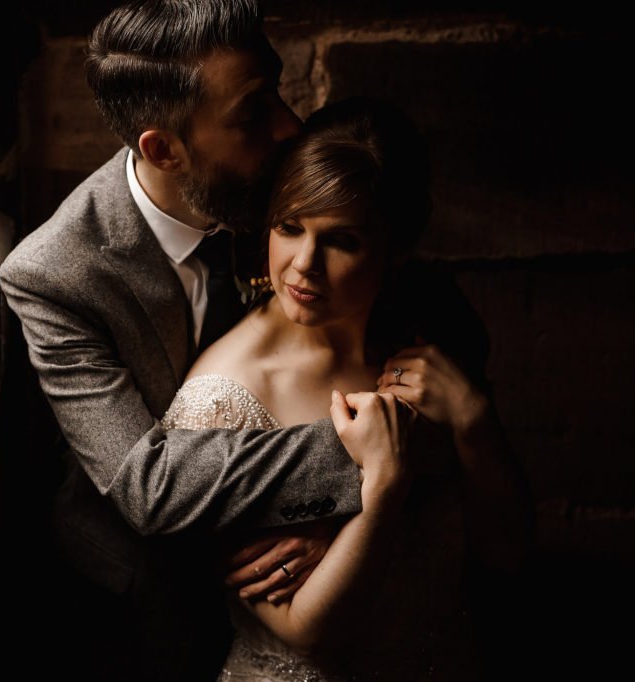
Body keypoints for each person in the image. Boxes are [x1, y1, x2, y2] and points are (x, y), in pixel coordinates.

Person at [0, 2, 410, 680]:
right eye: (252, 113)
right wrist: (372, 461)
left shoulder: (274, 172)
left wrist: (338, 528)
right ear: (164, 148)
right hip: (136, 609)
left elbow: (406, 280)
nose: (289, 124)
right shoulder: (53, 274)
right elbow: (150, 485)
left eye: (277, 87)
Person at [162, 95, 530, 680]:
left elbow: (507, 554)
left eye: (342, 241)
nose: (304, 263)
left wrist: (474, 423)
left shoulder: (430, 334)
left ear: (397, 248)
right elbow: (303, 633)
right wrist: (384, 488)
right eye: (289, 227)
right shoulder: (223, 393)